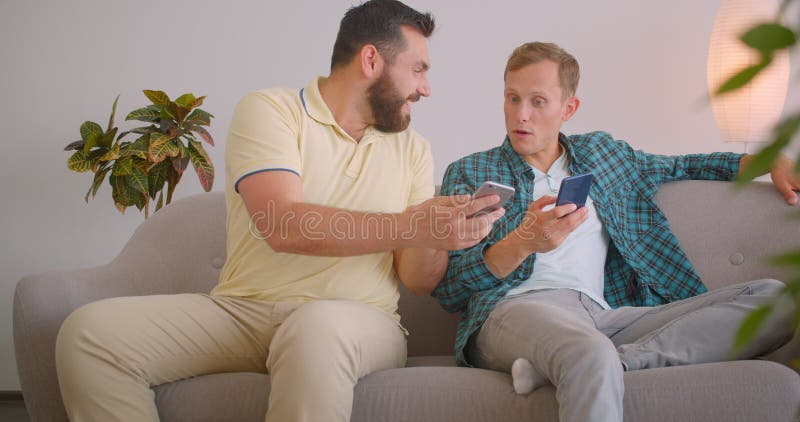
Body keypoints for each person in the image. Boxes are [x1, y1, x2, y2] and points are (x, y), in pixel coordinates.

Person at [54, 1, 505, 421]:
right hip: (243, 312)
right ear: (371, 61)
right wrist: (410, 224)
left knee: (314, 329)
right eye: (418, 69)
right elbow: (283, 224)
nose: (426, 87)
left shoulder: (413, 149)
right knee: (91, 334)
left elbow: (416, 280)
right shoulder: (272, 111)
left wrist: (435, 236)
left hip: (356, 319)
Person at [432, 41, 800, 422]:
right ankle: (590, 361)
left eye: (538, 101)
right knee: (588, 350)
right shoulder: (471, 172)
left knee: (775, 301)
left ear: (568, 109)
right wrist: (522, 242)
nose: (520, 115)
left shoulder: (604, 155)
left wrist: (770, 161)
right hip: (512, 310)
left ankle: (611, 364)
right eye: (512, 98)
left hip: (599, 316)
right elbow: (451, 290)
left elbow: (683, 166)